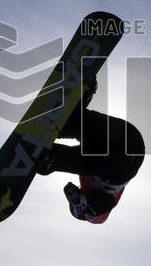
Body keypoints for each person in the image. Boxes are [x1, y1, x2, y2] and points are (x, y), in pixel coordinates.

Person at [38, 78, 145, 224]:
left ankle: (84, 91)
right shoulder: (109, 197)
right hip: (122, 156)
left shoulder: (88, 179)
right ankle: (48, 159)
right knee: (54, 162)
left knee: (62, 124)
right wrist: (83, 205)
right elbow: (101, 205)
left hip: (124, 135)